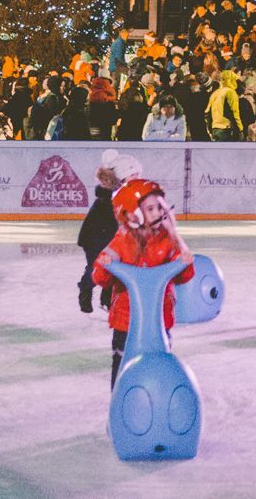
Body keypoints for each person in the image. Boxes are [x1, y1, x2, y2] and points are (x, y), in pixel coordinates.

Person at [92, 178, 195, 386]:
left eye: (159, 207)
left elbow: (184, 276)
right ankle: (121, 406)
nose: (157, 212)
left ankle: (156, 407)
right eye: (150, 208)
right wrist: (105, 264)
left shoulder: (168, 240)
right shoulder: (122, 241)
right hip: (126, 321)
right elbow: (99, 278)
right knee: (124, 371)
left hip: (159, 320)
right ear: (131, 214)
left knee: (158, 368)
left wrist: (184, 259)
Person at [78, 150, 139, 315]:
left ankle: (106, 300)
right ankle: (85, 290)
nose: (136, 178)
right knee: (97, 267)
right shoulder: (111, 196)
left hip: (110, 237)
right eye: (132, 175)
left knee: (114, 267)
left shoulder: (122, 193)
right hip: (94, 238)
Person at [207, 70, 243, 142]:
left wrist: (210, 129)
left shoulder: (215, 93)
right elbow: (235, 112)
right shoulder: (231, 92)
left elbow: (208, 112)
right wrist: (240, 129)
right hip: (227, 129)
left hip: (215, 128)